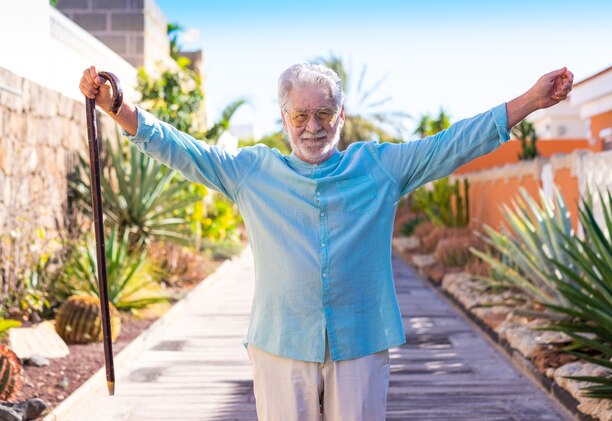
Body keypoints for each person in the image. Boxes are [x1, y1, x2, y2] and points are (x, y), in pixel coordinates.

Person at [79, 63, 573, 421]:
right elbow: (181, 148)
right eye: (300, 116)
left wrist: (529, 100)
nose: (313, 127)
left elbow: (452, 144)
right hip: (280, 344)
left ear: (342, 115)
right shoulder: (252, 172)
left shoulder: (379, 167)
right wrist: (116, 106)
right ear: (283, 117)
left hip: (361, 342)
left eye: (324, 114)